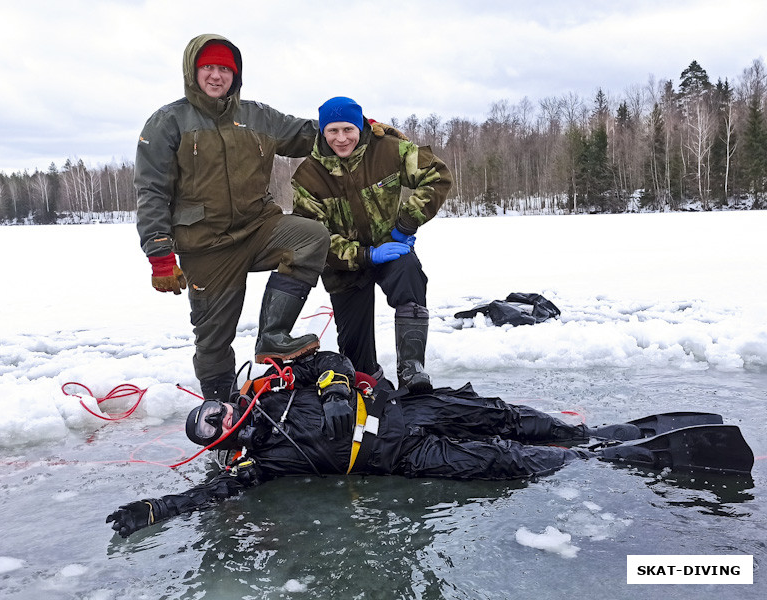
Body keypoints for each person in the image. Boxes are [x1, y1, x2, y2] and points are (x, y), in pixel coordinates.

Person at [107, 352, 661, 538]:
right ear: (219, 437)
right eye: (213, 421)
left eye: (216, 405)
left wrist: (335, 391)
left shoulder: (273, 387)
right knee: (500, 461)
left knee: (498, 415)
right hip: (399, 458)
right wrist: (157, 509)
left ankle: (587, 436)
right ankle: (609, 459)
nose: (223, 412)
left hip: (399, 410)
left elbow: (330, 359)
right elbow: (211, 497)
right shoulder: (258, 465)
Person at [135, 36, 402, 403]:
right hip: (206, 245)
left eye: (224, 69)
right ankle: (222, 412)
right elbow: (151, 191)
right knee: (213, 339)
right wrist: (160, 255)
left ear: (236, 74)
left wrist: (358, 124)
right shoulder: (168, 122)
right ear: (192, 71)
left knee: (310, 236)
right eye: (208, 68)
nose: (216, 76)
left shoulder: (258, 116)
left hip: (259, 228)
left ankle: (273, 335)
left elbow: (311, 133)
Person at [291, 97, 452, 393]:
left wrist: (405, 224)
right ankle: (373, 390)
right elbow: (315, 238)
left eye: (348, 129)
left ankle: (411, 369)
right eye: (333, 131)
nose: (341, 138)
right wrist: (365, 255)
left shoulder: (388, 149)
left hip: (391, 247)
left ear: (361, 125)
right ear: (322, 132)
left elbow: (436, 175)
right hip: (344, 266)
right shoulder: (308, 177)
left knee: (409, 273)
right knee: (358, 362)